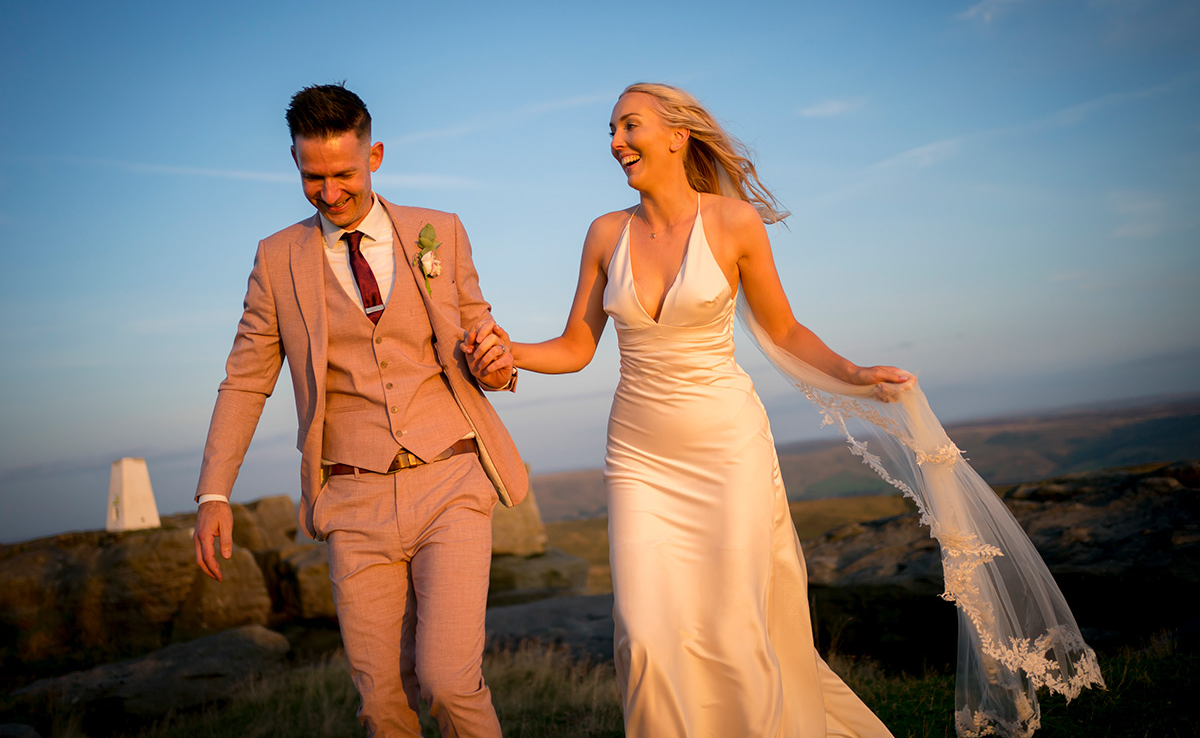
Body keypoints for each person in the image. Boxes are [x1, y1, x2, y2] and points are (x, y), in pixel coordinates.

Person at [469, 83, 1103, 737]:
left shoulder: (733, 224)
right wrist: (505, 351)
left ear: (677, 134)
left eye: (629, 127)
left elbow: (784, 330)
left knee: (737, 627)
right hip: (638, 457)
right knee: (647, 636)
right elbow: (576, 347)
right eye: (610, 130)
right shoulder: (606, 234)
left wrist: (854, 374)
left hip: (727, 449)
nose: (615, 143)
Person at [193, 83, 526, 738]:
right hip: (351, 499)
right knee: (382, 706)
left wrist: (499, 366)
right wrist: (213, 495)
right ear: (294, 162)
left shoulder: (440, 232)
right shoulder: (276, 258)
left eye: (343, 173)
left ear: (374, 155)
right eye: (311, 177)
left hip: (450, 479)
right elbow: (244, 381)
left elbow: (486, 340)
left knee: (449, 681)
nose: (329, 192)